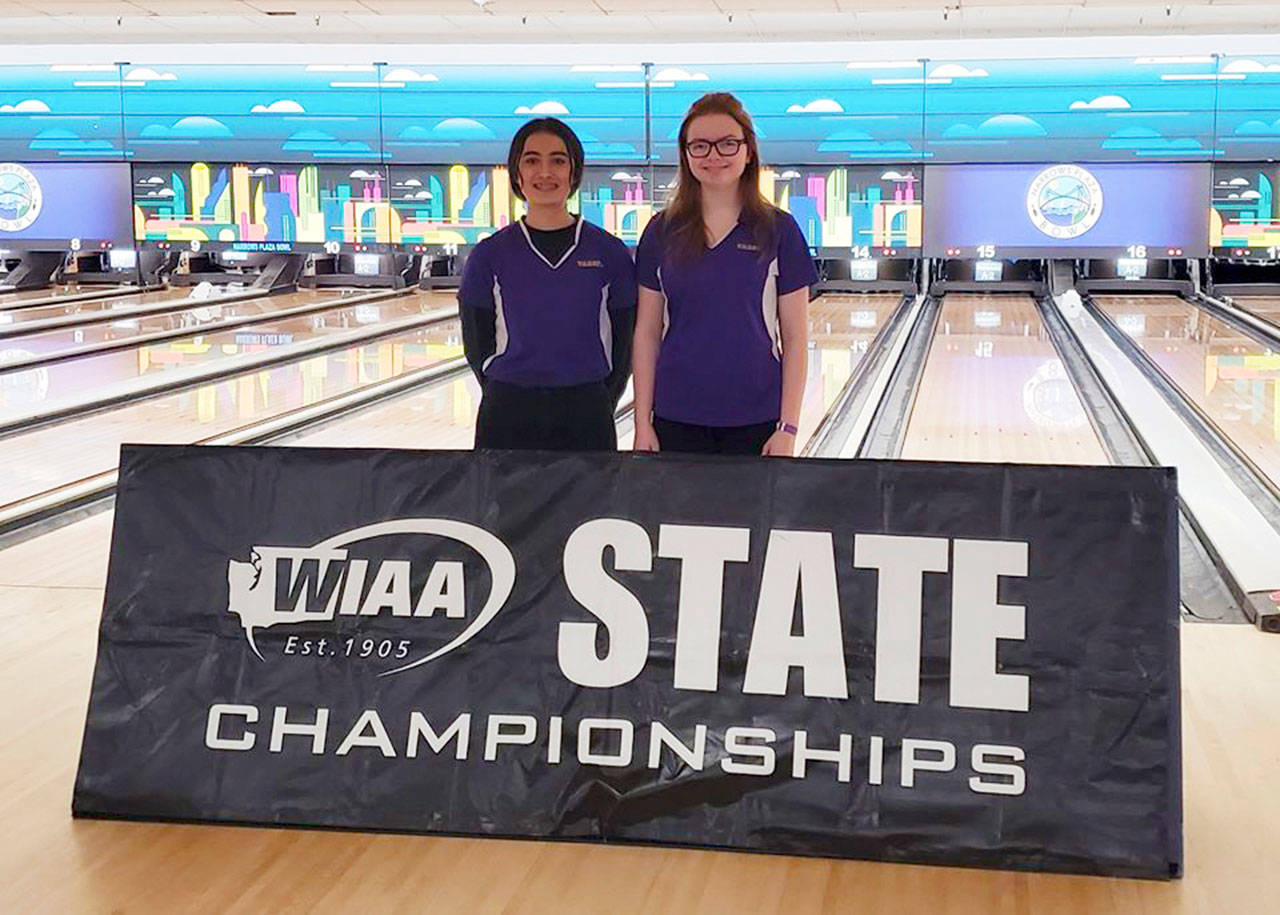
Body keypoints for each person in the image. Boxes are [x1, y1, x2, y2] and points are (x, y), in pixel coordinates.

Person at [632, 92, 816, 457]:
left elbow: (795, 338)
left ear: (748, 151)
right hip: (676, 416)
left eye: (727, 144)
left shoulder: (779, 230)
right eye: (699, 145)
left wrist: (788, 428)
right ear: (685, 154)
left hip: (757, 419)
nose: (713, 155)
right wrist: (641, 423)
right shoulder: (661, 230)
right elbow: (647, 333)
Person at [460, 118, 637, 451]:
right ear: (517, 173)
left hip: (586, 409)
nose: (545, 172)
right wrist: (507, 385)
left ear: (573, 172)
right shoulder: (489, 255)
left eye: (558, 160)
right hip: (507, 410)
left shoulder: (609, 253)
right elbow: (476, 342)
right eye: (532, 160)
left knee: (589, 505)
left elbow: (624, 345)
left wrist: (597, 395)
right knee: (506, 506)